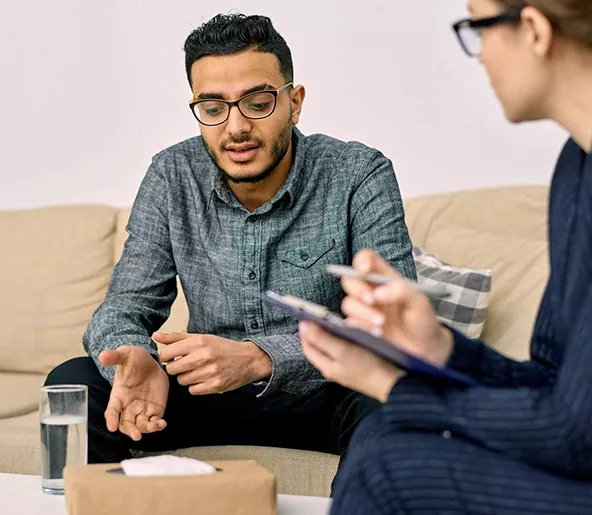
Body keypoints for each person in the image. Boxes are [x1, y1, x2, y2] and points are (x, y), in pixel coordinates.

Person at [44, 13, 416, 466]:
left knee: (399, 399)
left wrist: (261, 357)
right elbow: (123, 308)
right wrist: (138, 358)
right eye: (214, 107)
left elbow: (392, 330)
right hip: (205, 396)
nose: (235, 127)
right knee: (73, 385)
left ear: (294, 103)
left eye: (257, 102)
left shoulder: (359, 174)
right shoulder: (172, 175)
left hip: (325, 392)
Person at [299, 0, 592, 512]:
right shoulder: (576, 170)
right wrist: (438, 348)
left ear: (533, 31)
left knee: (387, 472)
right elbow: (552, 382)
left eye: (477, 26)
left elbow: (572, 434)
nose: (478, 57)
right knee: (383, 433)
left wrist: (387, 382)